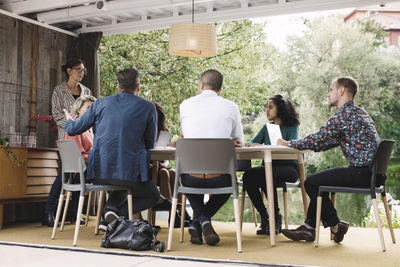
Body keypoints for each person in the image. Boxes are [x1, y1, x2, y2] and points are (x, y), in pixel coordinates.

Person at [277, 76, 380, 243]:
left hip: (362, 173)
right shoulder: (359, 112)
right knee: (318, 182)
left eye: (331, 90)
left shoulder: (344, 115)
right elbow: (327, 141)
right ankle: (310, 228)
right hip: (373, 173)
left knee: (311, 182)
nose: (328, 94)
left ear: (341, 91)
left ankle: (335, 225)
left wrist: (289, 143)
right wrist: (311, 145)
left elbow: (318, 139)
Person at [64, 68, 160, 225]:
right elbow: (150, 143)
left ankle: (109, 215)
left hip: (99, 171)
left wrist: (69, 119)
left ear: (118, 87)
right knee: (152, 196)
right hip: (129, 171)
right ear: (138, 86)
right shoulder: (148, 107)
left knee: (120, 185)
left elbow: (73, 129)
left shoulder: (100, 103)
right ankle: (116, 214)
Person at [179, 69, 245, 246]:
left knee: (186, 177)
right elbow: (240, 140)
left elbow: (188, 135)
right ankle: (204, 219)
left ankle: (198, 221)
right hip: (219, 179)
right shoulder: (231, 107)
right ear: (220, 89)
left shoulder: (185, 105)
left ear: (201, 85)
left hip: (190, 178)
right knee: (231, 184)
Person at [42, 58, 92, 227]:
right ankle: (48, 212)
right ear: (69, 70)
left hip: (85, 137)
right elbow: (57, 115)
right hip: (68, 138)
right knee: (65, 174)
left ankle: (74, 213)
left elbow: (91, 114)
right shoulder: (59, 90)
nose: (81, 73)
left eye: (83, 70)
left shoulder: (86, 91)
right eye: (78, 69)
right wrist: (74, 125)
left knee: (81, 176)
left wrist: (83, 126)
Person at [243, 95, 299, 235]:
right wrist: (251, 144)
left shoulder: (292, 127)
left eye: (270, 107)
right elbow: (253, 143)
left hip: (289, 169)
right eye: (266, 107)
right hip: (268, 168)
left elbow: (294, 145)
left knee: (266, 174)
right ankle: (266, 216)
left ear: (280, 108)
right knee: (248, 176)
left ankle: (275, 217)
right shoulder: (267, 128)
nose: (267, 111)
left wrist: (283, 143)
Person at [64, 95, 96, 219]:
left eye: (93, 108)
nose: (91, 111)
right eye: (88, 108)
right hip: (79, 167)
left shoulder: (89, 128)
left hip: (85, 166)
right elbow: (78, 155)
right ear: (78, 109)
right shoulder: (76, 127)